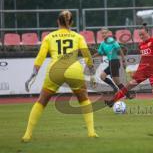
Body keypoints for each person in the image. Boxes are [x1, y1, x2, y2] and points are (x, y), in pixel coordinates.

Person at [22, 10, 98, 142]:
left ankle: (27, 134)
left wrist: (33, 74)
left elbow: (40, 57)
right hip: (73, 69)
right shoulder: (77, 36)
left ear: (58, 21)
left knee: (42, 101)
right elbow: (87, 55)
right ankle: (91, 132)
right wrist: (91, 71)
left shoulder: (49, 37)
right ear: (72, 22)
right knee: (84, 99)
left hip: (55, 70)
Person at [105, 23, 153, 112]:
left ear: (148, 32)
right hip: (142, 69)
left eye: (143, 34)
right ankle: (112, 101)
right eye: (140, 35)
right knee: (130, 84)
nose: (141, 36)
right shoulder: (140, 45)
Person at [93, 28, 133, 98]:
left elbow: (119, 49)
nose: (104, 34)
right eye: (102, 33)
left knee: (117, 82)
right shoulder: (102, 44)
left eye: (105, 33)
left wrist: (124, 61)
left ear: (108, 33)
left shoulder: (112, 41)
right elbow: (100, 53)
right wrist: (91, 57)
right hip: (111, 63)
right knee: (102, 76)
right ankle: (115, 89)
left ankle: (128, 95)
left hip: (114, 62)